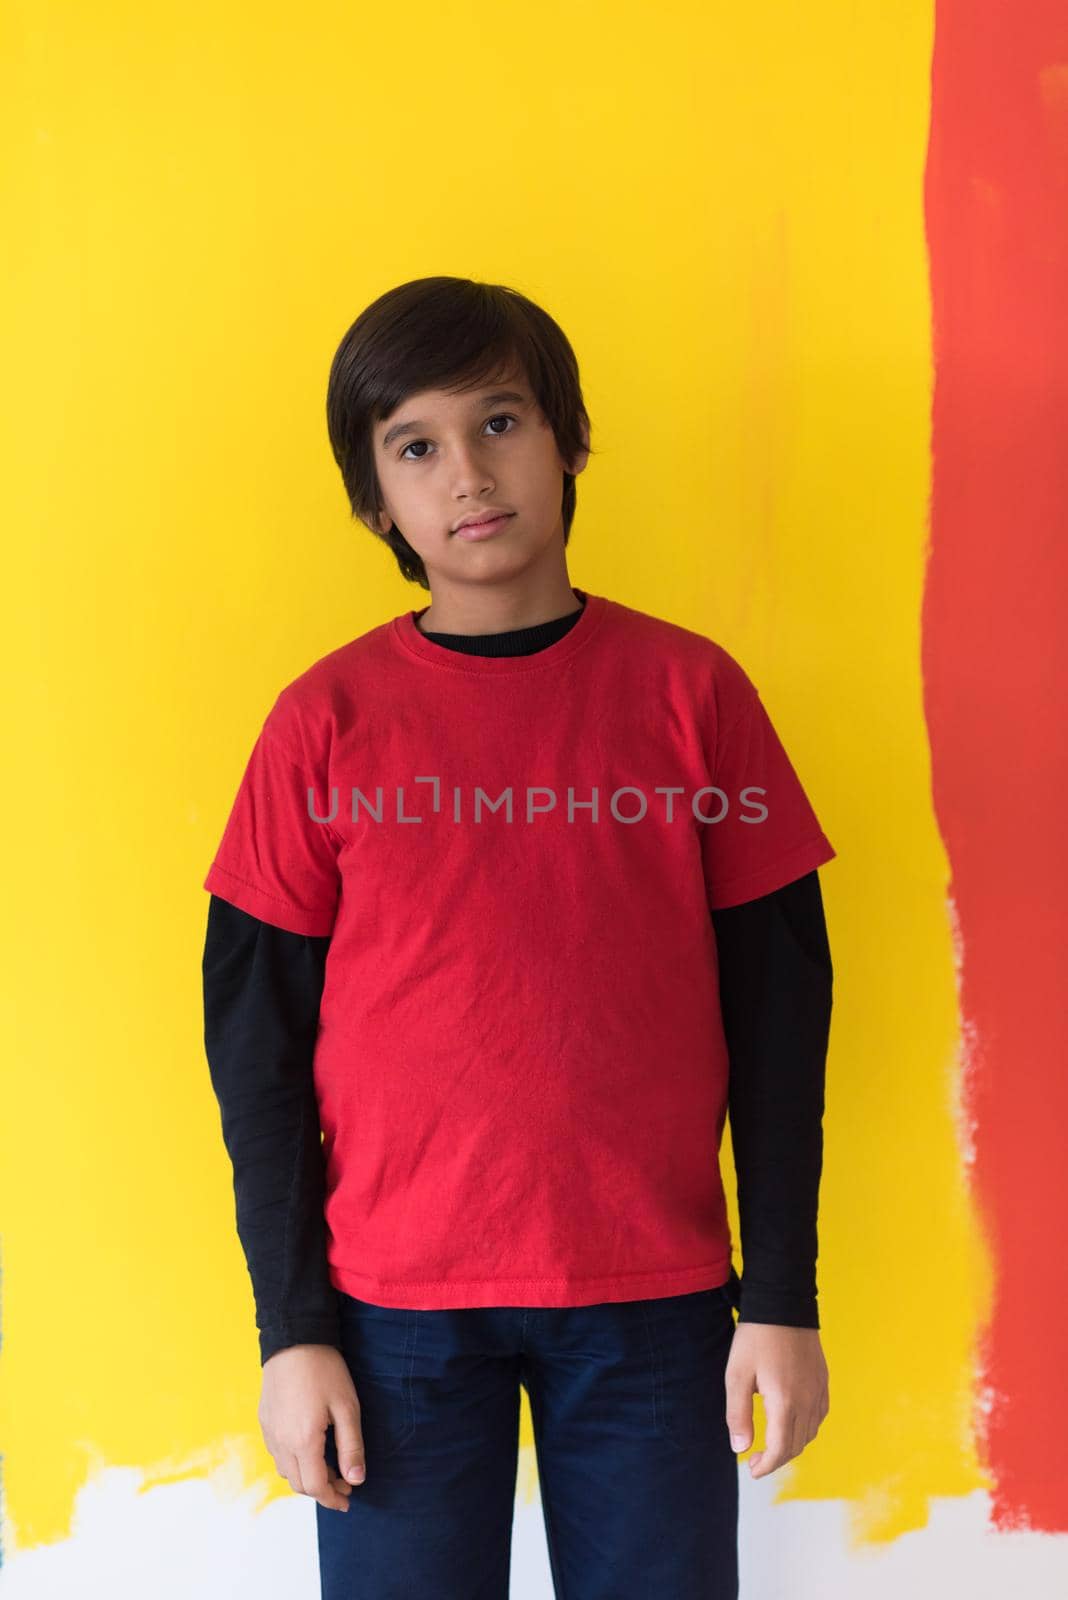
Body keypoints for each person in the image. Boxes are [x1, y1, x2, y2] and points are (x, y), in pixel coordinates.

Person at [202, 275, 835, 1600]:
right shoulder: (322, 723)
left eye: (501, 423)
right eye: (416, 446)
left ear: (569, 440)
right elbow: (255, 1043)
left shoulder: (692, 695)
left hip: (653, 1303)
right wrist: (291, 1329)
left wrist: (781, 1294)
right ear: (377, 498)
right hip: (392, 1317)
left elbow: (783, 1015)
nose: (467, 476)